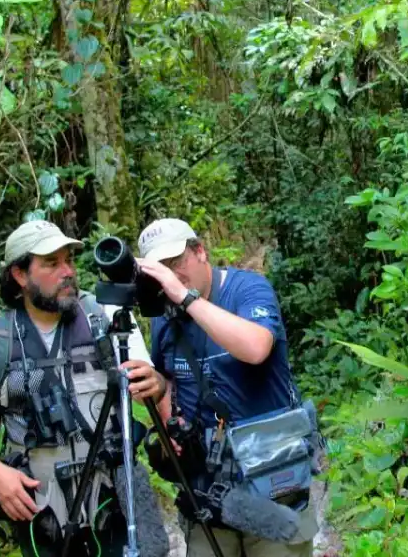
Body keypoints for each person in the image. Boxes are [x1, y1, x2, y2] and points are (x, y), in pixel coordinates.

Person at [0, 220, 169, 557]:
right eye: (51, 263)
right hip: (40, 507)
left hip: (112, 499)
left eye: (68, 260)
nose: (67, 271)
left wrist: (154, 384)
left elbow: (154, 386)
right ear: (20, 275)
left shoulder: (109, 320)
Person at [135, 217, 319, 557]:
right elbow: (170, 382)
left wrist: (186, 298)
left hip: (271, 483)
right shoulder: (163, 317)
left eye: (176, 263)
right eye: (159, 269)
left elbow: (256, 347)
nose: (171, 276)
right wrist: (157, 388)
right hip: (207, 491)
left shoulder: (247, 289)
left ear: (200, 251)